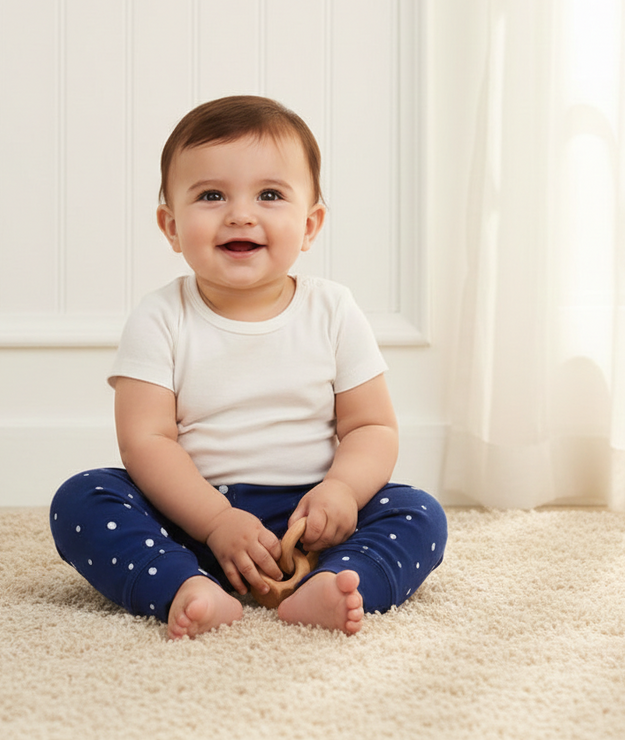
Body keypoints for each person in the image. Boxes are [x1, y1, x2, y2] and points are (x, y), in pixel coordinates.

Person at [50, 95, 447, 640]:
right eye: (211, 195)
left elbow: (370, 426)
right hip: (193, 518)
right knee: (82, 499)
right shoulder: (160, 317)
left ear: (310, 225)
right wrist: (214, 522)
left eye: (269, 194)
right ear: (170, 225)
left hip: (313, 516)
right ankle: (183, 586)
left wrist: (341, 491)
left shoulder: (332, 310)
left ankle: (336, 581)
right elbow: (146, 442)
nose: (241, 213)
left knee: (418, 512)